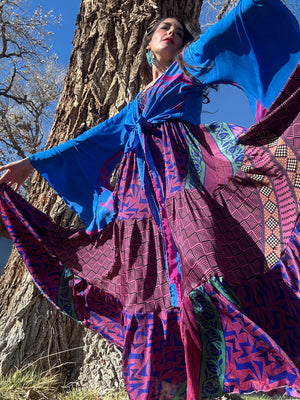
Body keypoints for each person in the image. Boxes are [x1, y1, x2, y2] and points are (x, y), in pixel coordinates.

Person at [0, 0, 300, 399]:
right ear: (146, 49)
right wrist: (31, 163)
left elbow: (234, 27)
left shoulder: (188, 66)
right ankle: (167, 385)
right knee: (149, 288)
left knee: (207, 271)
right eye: (164, 27)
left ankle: (255, 370)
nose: (173, 31)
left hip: (185, 179)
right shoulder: (133, 108)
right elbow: (91, 140)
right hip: (140, 204)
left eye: (180, 30)